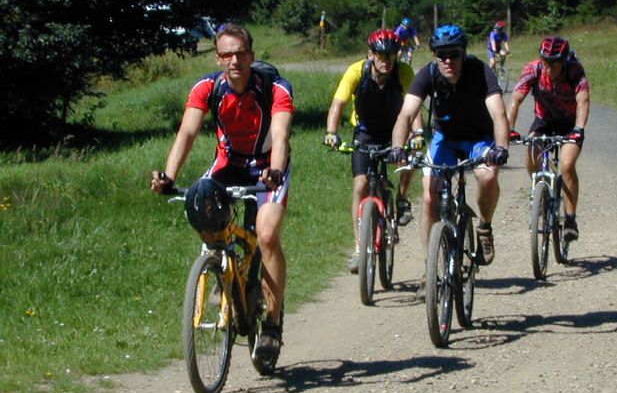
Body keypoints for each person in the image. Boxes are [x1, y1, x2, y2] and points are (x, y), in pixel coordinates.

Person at [150, 23, 294, 364]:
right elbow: (187, 131)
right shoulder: (207, 87)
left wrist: (273, 171)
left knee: (268, 234)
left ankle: (272, 326)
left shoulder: (275, 88)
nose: (235, 60)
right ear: (218, 58)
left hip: (267, 167)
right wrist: (169, 176)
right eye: (227, 54)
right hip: (229, 163)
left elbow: (281, 134)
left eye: (241, 53)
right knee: (198, 205)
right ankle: (221, 270)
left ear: (252, 56)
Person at [389, 24, 510, 298]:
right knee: (430, 194)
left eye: (453, 55)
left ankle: (484, 227)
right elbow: (406, 115)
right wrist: (398, 146)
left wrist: (501, 147)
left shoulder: (480, 71)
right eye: (441, 55)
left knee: (488, 176)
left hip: (478, 138)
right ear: (434, 56)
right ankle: (430, 268)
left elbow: (499, 115)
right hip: (445, 139)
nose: (448, 61)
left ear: (463, 53)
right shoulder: (428, 74)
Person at [324, 29, 424, 274]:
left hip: (395, 130)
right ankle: (360, 248)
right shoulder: (356, 71)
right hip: (366, 132)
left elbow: (415, 105)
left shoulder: (403, 72)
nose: (386, 60)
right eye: (381, 55)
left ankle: (401, 198)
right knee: (360, 185)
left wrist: (418, 134)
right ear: (371, 54)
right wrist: (331, 132)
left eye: (391, 55)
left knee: (409, 160)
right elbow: (339, 103)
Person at [507, 35, 590, 241]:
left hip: (570, 123)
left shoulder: (574, 71)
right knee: (532, 156)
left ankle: (570, 219)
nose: (549, 67)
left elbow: (583, 100)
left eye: (554, 63)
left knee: (567, 164)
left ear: (564, 61)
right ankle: (541, 195)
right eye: (545, 61)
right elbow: (515, 100)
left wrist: (579, 128)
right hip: (544, 120)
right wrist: (509, 130)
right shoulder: (533, 69)